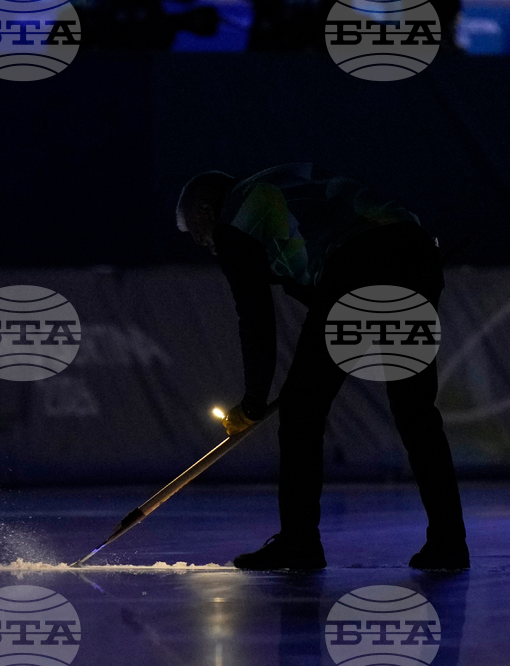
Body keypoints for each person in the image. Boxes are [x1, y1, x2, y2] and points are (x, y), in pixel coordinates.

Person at [175, 163, 468, 570]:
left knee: (300, 413)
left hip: (359, 263)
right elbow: (318, 296)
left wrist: (253, 403)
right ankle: (449, 543)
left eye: (199, 235)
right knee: (415, 413)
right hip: (415, 255)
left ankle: (299, 542)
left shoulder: (234, 221)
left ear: (206, 211)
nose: (207, 246)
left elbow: (255, 317)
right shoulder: (283, 191)